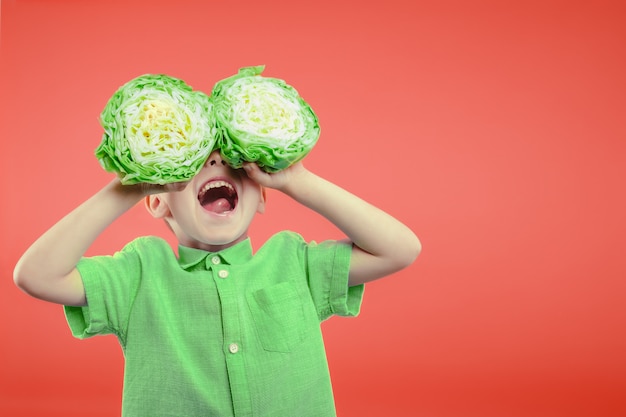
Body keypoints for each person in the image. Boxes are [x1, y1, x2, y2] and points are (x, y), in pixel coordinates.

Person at [14, 149, 421, 416]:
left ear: (262, 197)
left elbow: (400, 249)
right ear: (157, 200)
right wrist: (128, 187)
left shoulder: (294, 261)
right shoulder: (139, 273)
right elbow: (36, 276)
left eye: (233, 163)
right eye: (193, 164)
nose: (215, 166)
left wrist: (300, 181)